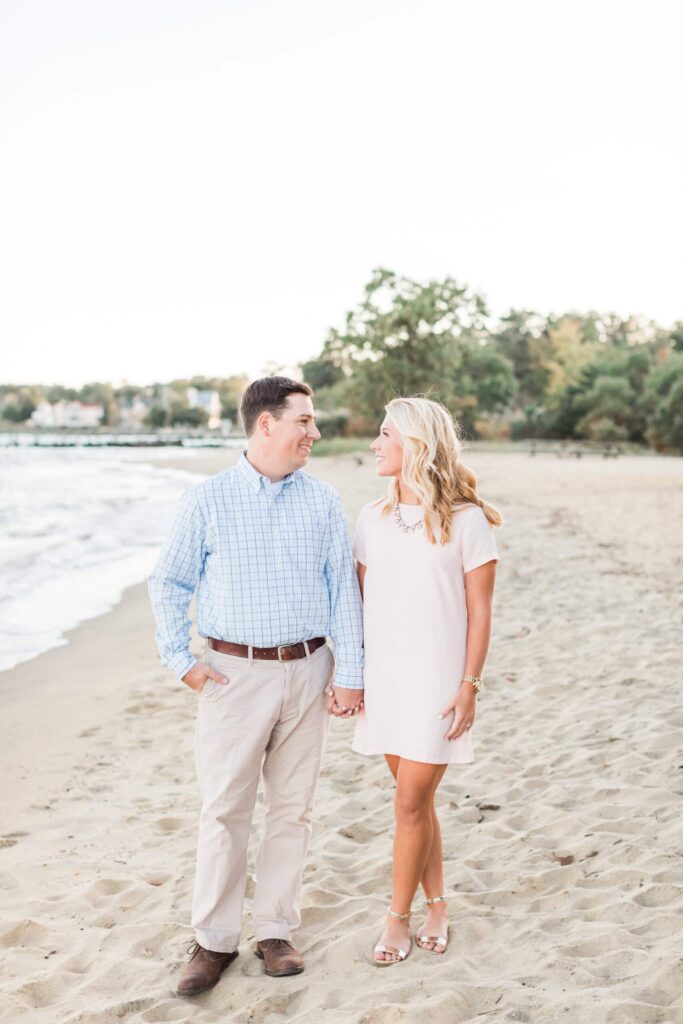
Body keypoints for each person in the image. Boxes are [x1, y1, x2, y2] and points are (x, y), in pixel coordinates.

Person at [148, 376, 364, 994]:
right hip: (232, 675)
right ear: (265, 424)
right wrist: (180, 660)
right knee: (225, 810)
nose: (314, 433)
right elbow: (168, 583)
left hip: (309, 670)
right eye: (305, 422)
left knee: (293, 811)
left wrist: (349, 673)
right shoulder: (206, 501)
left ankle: (275, 931)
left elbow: (342, 590)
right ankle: (213, 942)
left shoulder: (322, 500)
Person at [351, 396, 501, 965]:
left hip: (439, 683)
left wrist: (470, 683)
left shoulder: (468, 521)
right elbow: (361, 601)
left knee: (410, 802)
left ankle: (398, 919)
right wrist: (354, 676)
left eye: (385, 433)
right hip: (385, 681)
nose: (375, 443)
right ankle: (438, 903)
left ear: (416, 444)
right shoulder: (372, 517)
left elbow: (480, 611)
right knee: (417, 802)